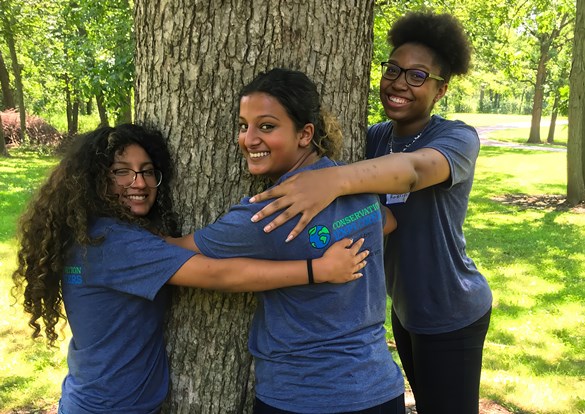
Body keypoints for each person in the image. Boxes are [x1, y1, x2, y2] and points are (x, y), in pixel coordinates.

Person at [11, 123, 370, 414]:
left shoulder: (90, 235)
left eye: (148, 172)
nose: (139, 183)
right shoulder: (114, 244)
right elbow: (218, 274)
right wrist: (316, 271)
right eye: (121, 172)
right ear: (94, 180)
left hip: (92, 399)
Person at [246, 13, 493, 414]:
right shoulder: (375, 137)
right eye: (393, 69)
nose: (398, 82)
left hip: (451, 311)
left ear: (441, 89)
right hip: (403, 309)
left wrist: (332, 180)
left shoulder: (457, 138)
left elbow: (413, 171)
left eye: (417, 76)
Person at [170, 68, 405, 413]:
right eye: (243, 125)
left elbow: (171, 252)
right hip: (380, 391)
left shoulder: (270, 214)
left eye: (266, 126)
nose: (249, 139)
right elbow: (388, 221)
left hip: (303, 396)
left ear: (304, 134)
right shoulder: (356, 186)